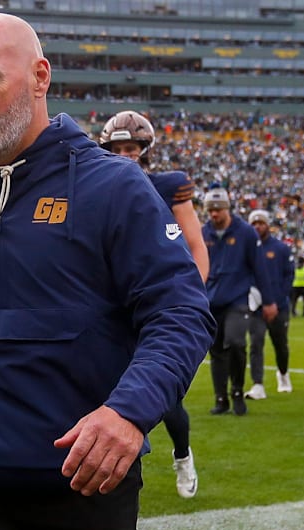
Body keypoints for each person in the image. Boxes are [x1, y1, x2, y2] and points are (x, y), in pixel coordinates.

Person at [0, 15, 214, 530]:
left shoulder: (114, 185)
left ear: (39, 76)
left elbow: (181, 312)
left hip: (88, 476)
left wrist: (128, 412)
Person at [99, 110, 205, 498]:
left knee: (164, 395)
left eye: (131, 148)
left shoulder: (167, 186)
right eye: (118, 148)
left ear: (145, 149)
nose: (125, 154)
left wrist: (191, 299)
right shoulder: (98, 186)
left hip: (156, 301)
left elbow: (195, 246)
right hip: (113, 305)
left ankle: (182, 455)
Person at [202, 186, 275, 416]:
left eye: (218, 210)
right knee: (216, 351)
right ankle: (221, 397)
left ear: (227, 209)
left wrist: (269, 300)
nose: (214, 214)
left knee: (236, 343)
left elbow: (260, 268)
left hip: (237, 298)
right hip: (211, 300)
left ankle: (237, 391)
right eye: (210, 210)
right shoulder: (204, 232)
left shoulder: (245, 232)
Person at [244, 209, 294, 398]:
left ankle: (283, 374)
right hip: (255, 306)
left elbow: (288, 276)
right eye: (254, 224)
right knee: (256, 344)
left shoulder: (280, 248)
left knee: (280, 344)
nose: (258, 227)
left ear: (268, 225)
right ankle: (258, 384)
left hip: (278, 306)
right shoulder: (246, 249)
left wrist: (276, 300)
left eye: (261, 223)